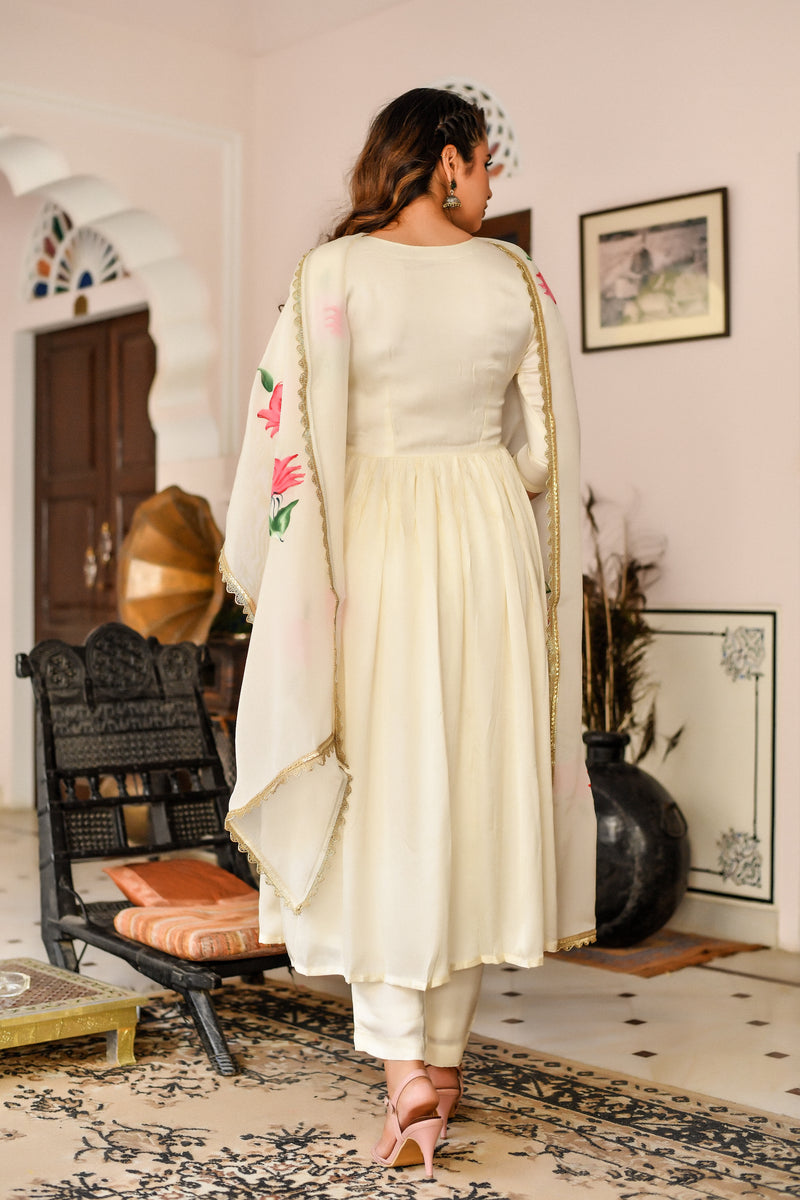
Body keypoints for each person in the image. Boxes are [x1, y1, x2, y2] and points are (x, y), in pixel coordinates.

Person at [220, 87, 596, 1177]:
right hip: (484, 544)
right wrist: (474, 473)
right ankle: (445, 1064)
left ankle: (403, 1075)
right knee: (470, 785)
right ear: (445, 158)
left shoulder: (329, 274)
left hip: (372, 546)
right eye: (484, 164)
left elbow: (286, 447)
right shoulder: (515, 280)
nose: (489, 185)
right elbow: (544, 453)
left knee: (386, 796)